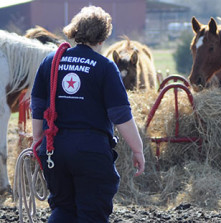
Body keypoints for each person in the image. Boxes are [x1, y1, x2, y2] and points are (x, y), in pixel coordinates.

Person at [30, 5, 145, 223]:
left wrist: (38, 141)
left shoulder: (50, 62)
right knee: (91, 213)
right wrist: (137, 149)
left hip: (54, 151)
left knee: (63, 209)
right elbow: (120, 114)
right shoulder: (105, 67)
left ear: (75, 31)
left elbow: (37, 105)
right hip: (91, 152)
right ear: (103, 38)